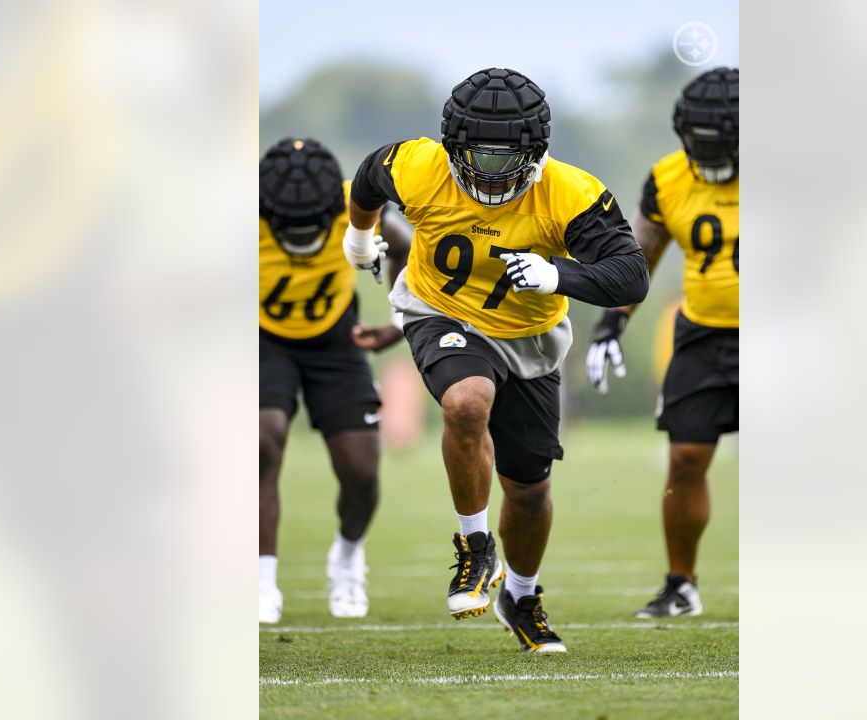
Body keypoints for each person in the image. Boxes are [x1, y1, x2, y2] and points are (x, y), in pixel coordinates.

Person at [342, 68, 649, 652]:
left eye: (504, 158)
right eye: (476, 157)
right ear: (452, 148)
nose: (488, 172)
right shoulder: (419, 165)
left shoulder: (571, 193)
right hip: (441, 310)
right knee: (466, 401)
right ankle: (474, 548)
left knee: (530, 489)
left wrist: (558, 273)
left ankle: (522, 595)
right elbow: (366, 180)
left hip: (529, 336)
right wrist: (358, 238)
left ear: (535, 152)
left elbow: (631, 273)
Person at [585, 67, 739, 618]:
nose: (707, 152)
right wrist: (613, 320)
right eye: (698, 142)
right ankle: (682, 584)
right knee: (685, 457)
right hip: (702, 333)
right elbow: (640, 255)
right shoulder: (670, 177)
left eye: (719, 144)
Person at [259, 137, 411, 623]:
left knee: (361, 471)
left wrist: (398, 320)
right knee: (261, 439)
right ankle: (261, 577)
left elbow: (406, 247)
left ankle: (347, 556)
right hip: (263, 339)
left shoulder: (356, 205)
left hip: (338, 341)